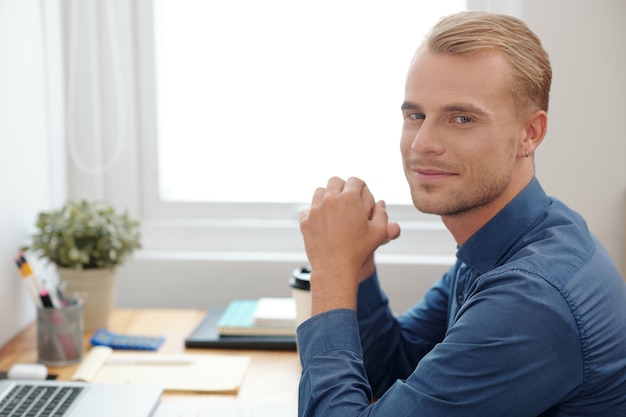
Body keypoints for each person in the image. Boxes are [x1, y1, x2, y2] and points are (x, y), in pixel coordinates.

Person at [297, 11, 626, 417]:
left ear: (530, 134)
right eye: (415, 115)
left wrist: (330, 273)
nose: (423, 143)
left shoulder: (532, 299)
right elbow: (398, 367)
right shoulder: (505, 241)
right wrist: (358, 266)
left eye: (461, 118)